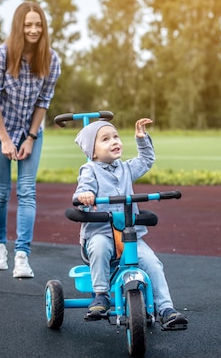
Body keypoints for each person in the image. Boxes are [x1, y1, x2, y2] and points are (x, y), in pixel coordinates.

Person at [73, 118, 188, 330]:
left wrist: (141, 139)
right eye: (105, 139)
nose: (114, 141)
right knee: (98, 248)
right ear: (93, 151)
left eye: (116, 136)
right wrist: (86, 197)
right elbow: (82, 191)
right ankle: (101, 295)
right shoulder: (89, 169)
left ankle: (165, 309)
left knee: (152, 263)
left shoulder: (126, 169)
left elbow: (145, 160)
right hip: (101, 233)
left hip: (129, 236)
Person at [0, 1, 61, 278]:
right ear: (19, 27)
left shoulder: (51, 60)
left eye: (38, 24)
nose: (34, 29)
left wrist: (30, 137)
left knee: (27, 191)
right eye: (28, 25)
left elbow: (44, 101)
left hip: (30, 132)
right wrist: (5, 140)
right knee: (2, 191)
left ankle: (22, 255)